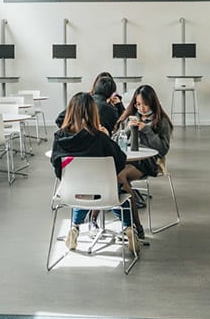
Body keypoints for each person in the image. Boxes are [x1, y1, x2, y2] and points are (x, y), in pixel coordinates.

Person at [51, 92, 138, 251]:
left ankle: (75, 228)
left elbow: (57, 168)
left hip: (71, 192)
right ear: (93, 112)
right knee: (116, 192)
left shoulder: (58, 137)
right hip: (104, 192)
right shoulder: (99, 137)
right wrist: (106, 136)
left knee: (83, 191)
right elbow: (119, 161)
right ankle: (128, 228)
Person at [116, 85, 172, 241]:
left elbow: (163, 149)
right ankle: (99, 222)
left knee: (120, 177)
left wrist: (146, 130)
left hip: (149, 162)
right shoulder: (130, 117)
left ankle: (135, 226)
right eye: (138, 104)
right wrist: (127, 129)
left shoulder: (162, 121)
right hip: (128, 158)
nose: (141, 108)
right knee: (111, 175)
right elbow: (114, 142)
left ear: (152, 103)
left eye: (145, 104)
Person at [55, 73, 121, 135]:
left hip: (74, 142)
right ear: (112, 93)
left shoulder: (80, 100)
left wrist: (72, 134)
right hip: (97, 144)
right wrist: (119, 105)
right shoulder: (111, 110)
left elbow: (59, 120)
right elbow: (119, 127)